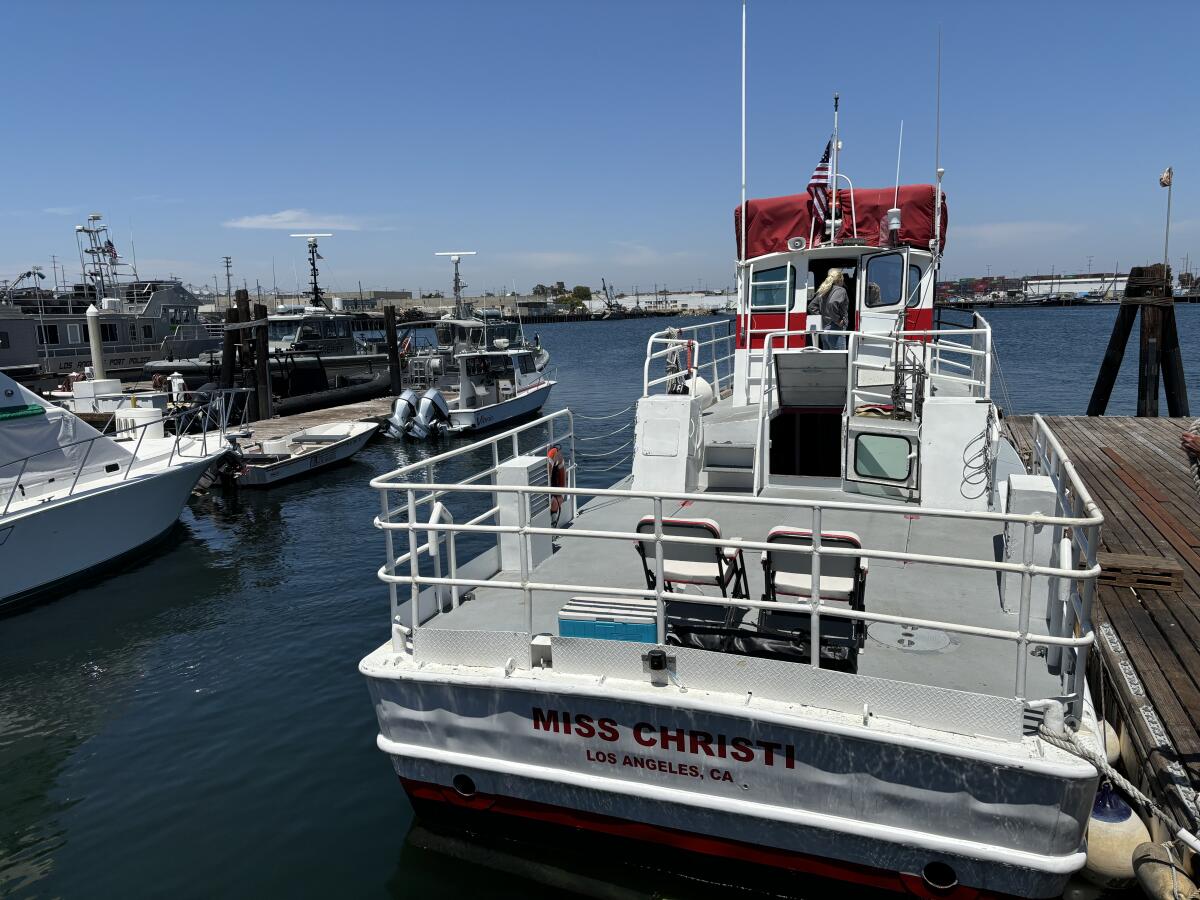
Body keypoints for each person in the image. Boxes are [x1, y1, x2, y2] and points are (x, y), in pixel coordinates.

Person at [808, 269, 849, 350]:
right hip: (835, 330)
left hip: (824, 330)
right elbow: (832, 303)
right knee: (839, 359)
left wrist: (822, 317)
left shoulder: (824, 290)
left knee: (829, 360)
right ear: (840, 280)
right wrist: (837, 320)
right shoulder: (840, 290)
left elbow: (811, 306)